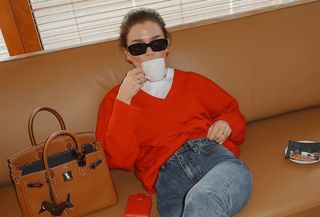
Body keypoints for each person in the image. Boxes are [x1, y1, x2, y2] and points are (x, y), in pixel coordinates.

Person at [96, 8, 252, 217]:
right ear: (127, 54)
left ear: (166, 46)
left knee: (202, 198)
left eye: (157, 43)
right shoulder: (115, 101)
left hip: (213, 158)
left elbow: (233, 112)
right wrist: (124, 101)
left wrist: (226, 124)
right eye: (138, 48)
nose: (149, 53)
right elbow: (118, 161)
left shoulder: (192, 82)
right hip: (168, 179)